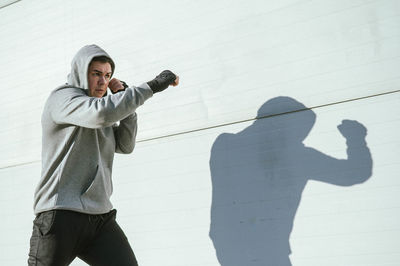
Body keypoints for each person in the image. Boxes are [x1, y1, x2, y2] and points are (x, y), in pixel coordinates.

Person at [28, 44, 179, 266]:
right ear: (81, 72)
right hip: (60, 215)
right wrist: (152, 87)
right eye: (96, 74)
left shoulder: (103, 108)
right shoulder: (63, 98)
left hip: (100, 218)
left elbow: (125, 145)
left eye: (108, 76)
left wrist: (126, 104)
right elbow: (101, 114)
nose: (103, 81)